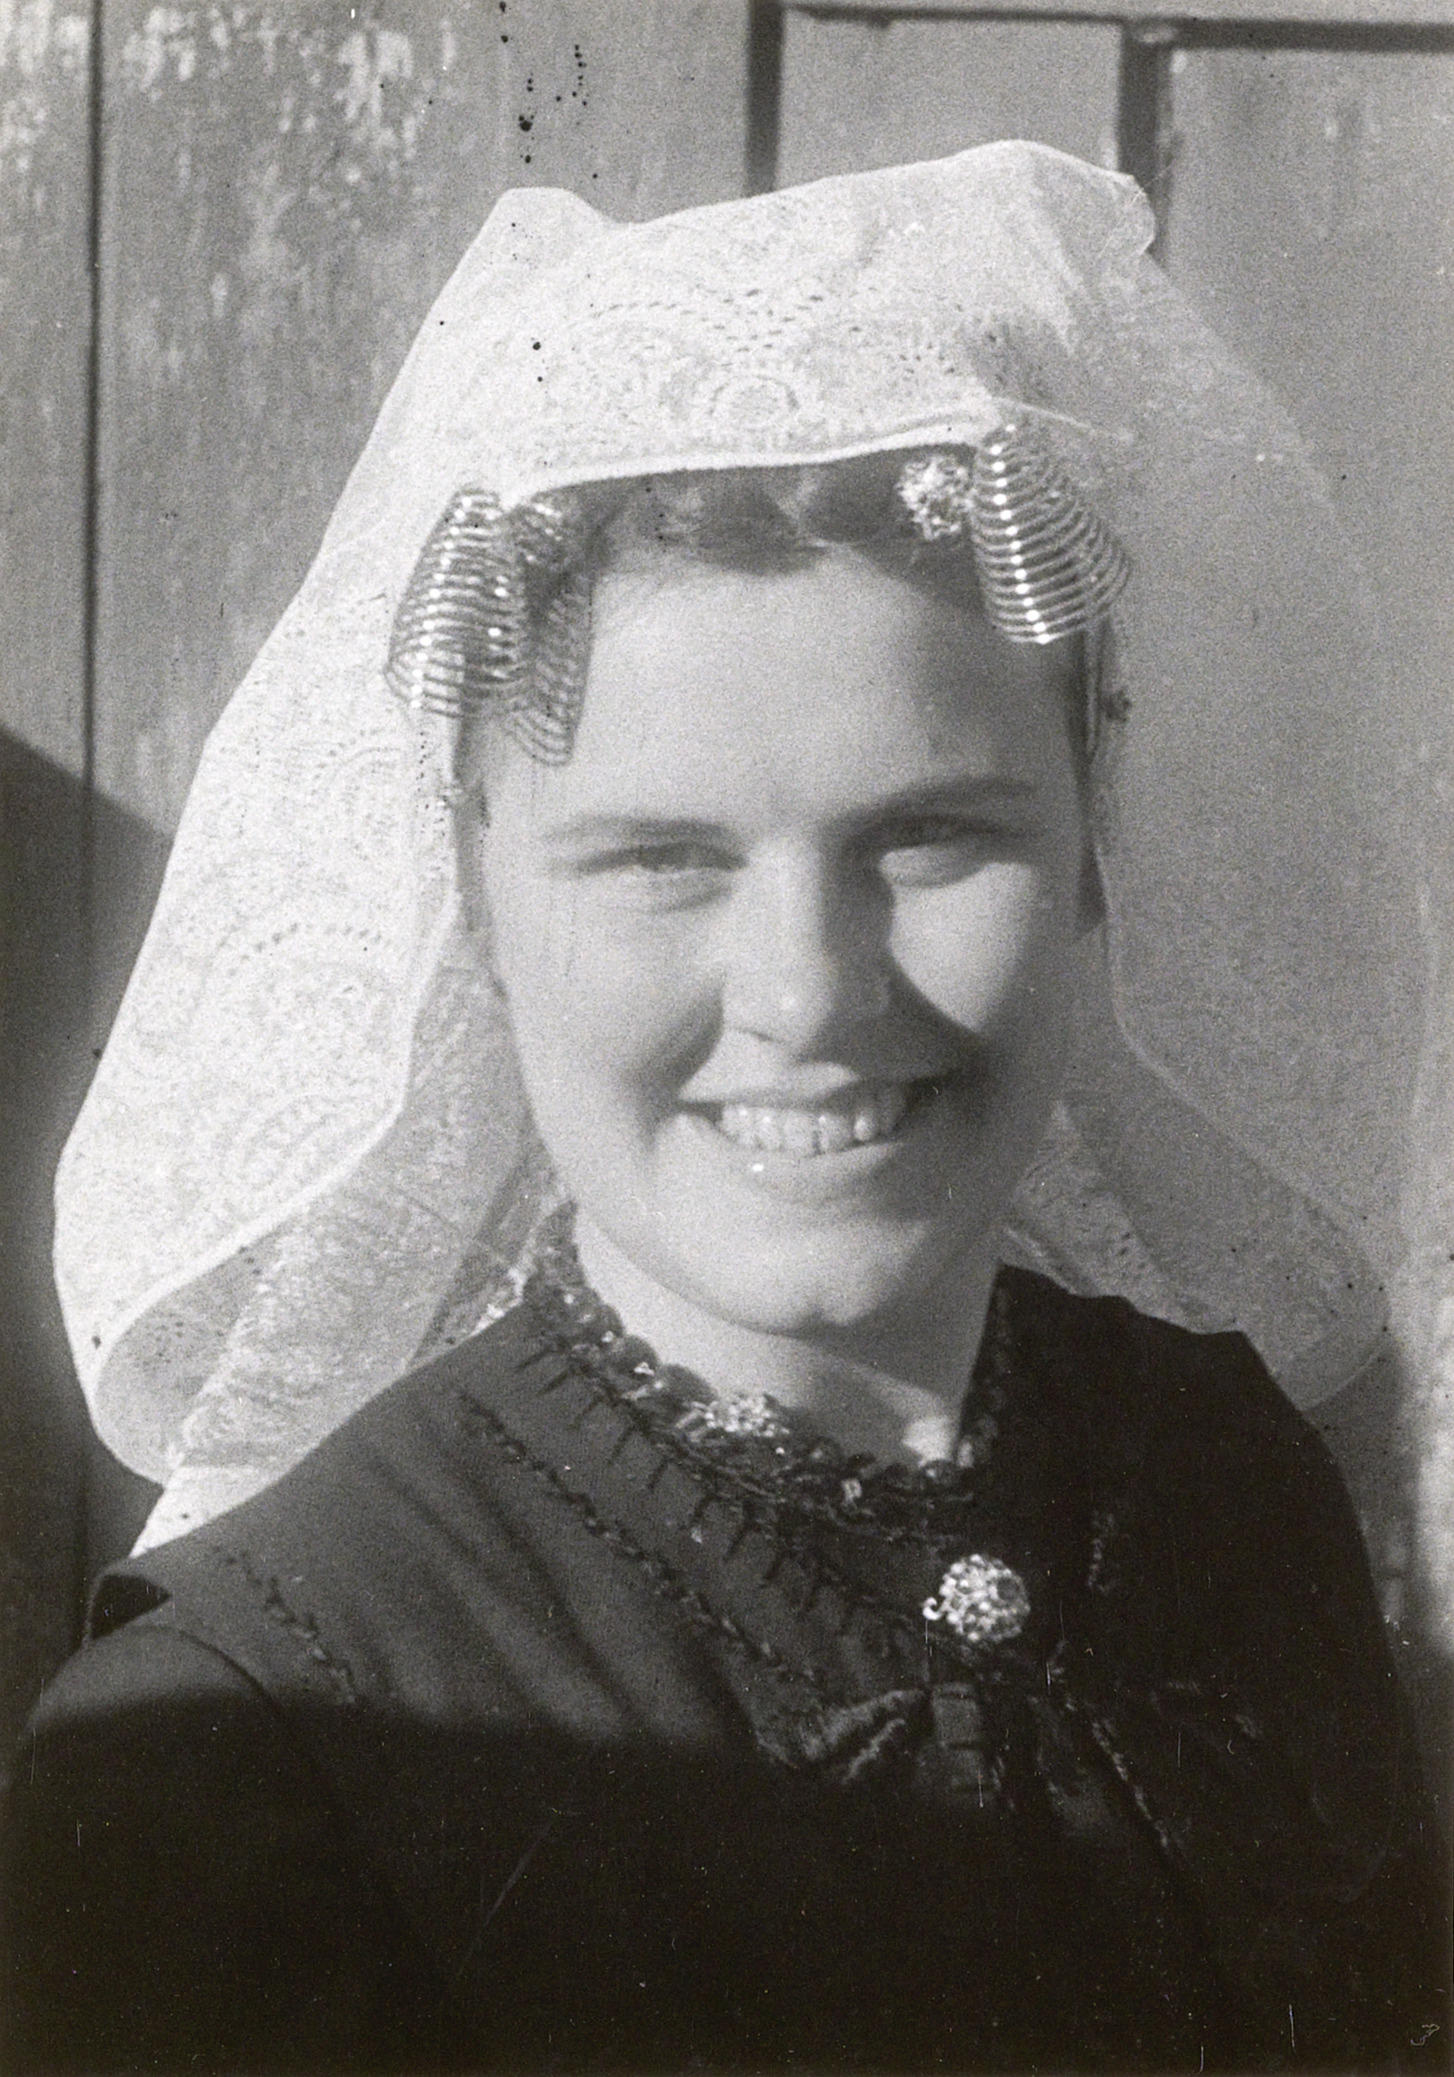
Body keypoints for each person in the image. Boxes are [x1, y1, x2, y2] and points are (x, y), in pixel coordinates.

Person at [3, 143, 1447, 2072]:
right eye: (659, 859)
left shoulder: (1226, 1483)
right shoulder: (245, 1741)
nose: (808, 994)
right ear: (475, 906)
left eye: (932, 833)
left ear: (1097, 844)